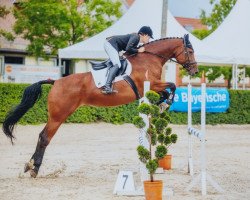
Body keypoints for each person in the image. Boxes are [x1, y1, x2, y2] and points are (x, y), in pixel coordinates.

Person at [102, 26, 154, 94]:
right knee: (117, 64)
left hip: (113, 45)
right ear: (145, 35)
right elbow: (128, 49)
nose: (149, 40)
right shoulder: (136, 37)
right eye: (149, 37)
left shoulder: (136, 39)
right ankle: (107, 87)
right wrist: (138, 50)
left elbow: (129, 50)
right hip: (110, 44)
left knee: (118, 62)